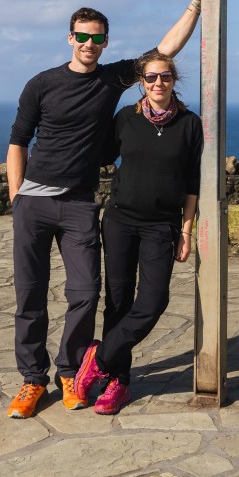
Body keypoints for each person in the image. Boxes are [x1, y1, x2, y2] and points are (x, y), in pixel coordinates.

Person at [6, 0, 206, 420]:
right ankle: (32, 379)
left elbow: (164, 51)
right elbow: (18, 140)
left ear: (106, 42)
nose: (89, 44)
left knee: (85, 293)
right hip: (34, 202)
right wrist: (17, 198)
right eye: (82, 36)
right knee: (30, 295)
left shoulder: (112, 79)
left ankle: (72, 370)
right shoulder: (41, 83)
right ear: (70, 38)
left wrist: (195, 4)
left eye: (97, 38)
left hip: (80, 204)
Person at [73, 50, 203, 414]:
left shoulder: (190, 124)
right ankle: (118, 383)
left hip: (162, 225)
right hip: (119, 221)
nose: (158, 83)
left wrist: (186, 231)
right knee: (117, 304)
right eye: (151, 77)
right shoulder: (125, 119)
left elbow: (192, 182)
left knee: (153, 302)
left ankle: (98, 360)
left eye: (165, 76)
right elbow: (99, 155)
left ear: (174, 80)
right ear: (141, 83)